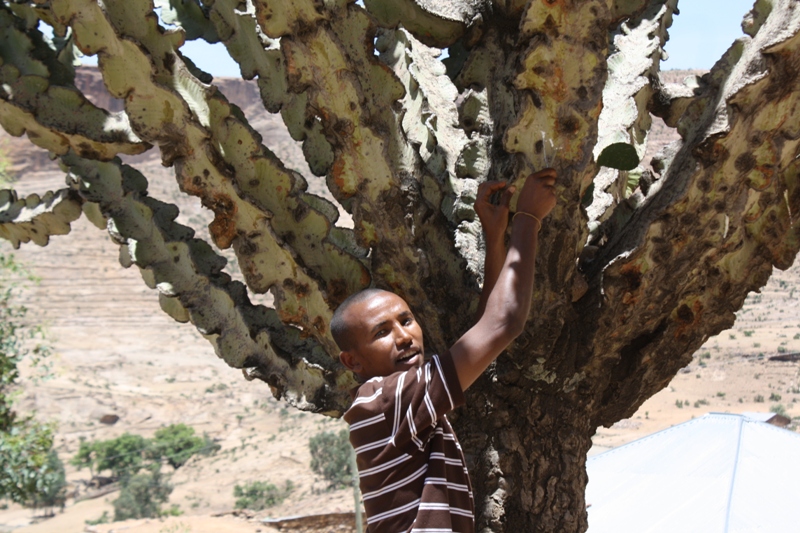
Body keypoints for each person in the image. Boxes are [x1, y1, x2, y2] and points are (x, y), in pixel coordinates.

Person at [332, 168, 558, 532]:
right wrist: (528, 220)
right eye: (381, 332)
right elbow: (504, 324)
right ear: (352, 360)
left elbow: (486, 325)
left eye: (406, 320)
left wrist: (494, 237)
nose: (404, 336)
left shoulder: (399, 400)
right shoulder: (386, 400)